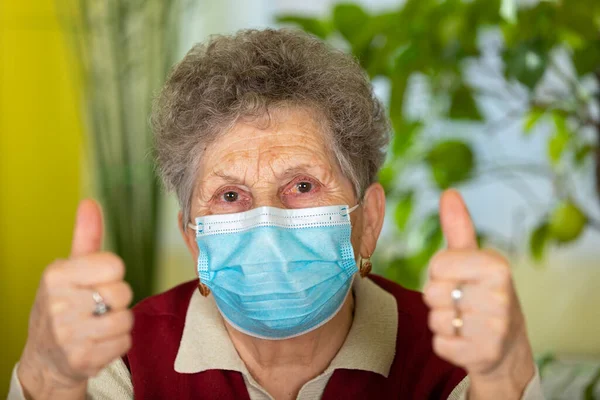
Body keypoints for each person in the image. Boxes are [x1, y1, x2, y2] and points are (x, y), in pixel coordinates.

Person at [9, 29, 544, 399]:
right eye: (229, 196)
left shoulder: (451, 356)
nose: (265, 222)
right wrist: (49, 380)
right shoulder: (118, 361)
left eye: (303, 185)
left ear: (370, 221)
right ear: (193, 238)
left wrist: (503, 378)